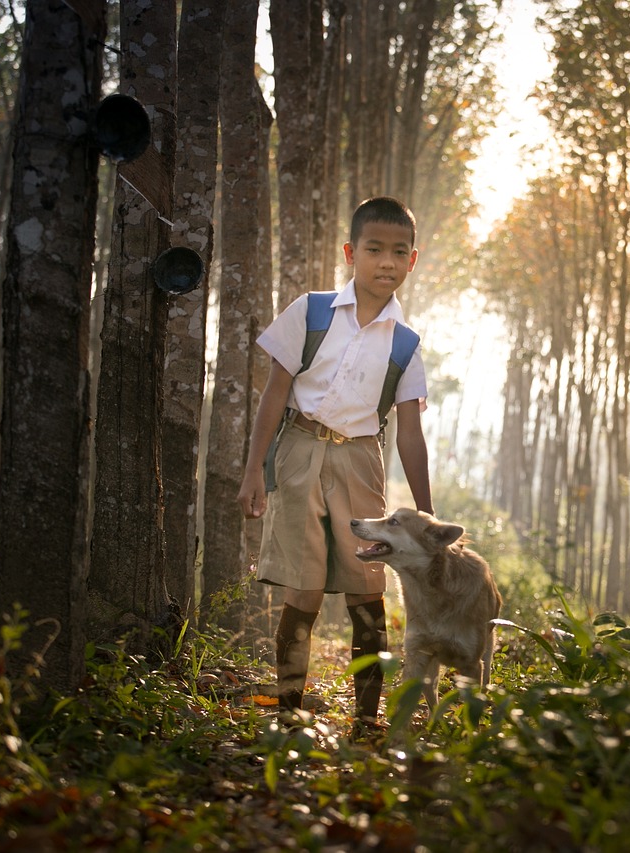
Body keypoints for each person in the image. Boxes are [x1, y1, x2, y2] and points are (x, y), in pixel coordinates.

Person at [236, 196, 433, 729]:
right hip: (300, 449)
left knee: (368, 585)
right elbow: (275, 393)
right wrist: (254, 470)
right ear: (351, 252)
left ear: (412, 260)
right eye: (374, 249)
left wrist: (426, 513)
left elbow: (410, 434)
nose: (386, 262)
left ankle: (367, 720)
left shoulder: (407, 345)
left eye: (398, 252)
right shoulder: (312, 311)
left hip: (362, 461)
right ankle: (290, 711)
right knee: (302, 586)